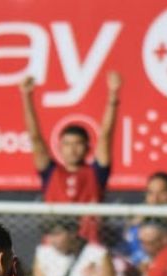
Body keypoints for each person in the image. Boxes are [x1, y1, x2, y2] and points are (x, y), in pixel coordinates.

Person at [20, 72, 121, 242]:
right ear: (60, 147)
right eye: (67, 144)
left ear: (88, 147)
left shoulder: (96, 173)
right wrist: (26, 96)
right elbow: (35, 137)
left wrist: (113, 96)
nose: (72, 149)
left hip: (88, 246)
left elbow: (105, 135)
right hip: (55, 246)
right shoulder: (50, 172)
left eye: (78, 144)